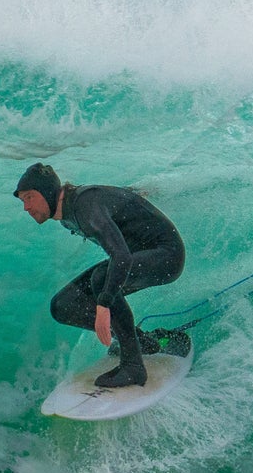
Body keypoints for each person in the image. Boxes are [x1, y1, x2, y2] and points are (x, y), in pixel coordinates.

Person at [14, 162, 187, 388]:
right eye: (23, 201)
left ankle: (133, 367)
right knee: (63, 305)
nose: (26, 207)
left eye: (29, 197)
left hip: (167, 256)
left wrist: (103, 304)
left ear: (47, 192)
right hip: (138, 256)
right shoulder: (67, 212)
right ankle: (141, 342)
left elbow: (121, 256)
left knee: (102, 279)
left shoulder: (84, 205)